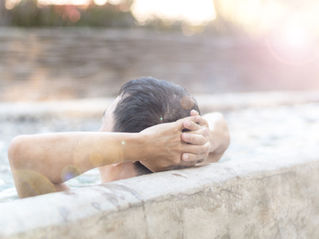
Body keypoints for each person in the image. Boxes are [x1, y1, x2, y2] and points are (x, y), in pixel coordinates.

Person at [8, 77, 230, 198]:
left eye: (104, 122)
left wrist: (143, 144)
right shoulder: (189, 178)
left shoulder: (90, 211)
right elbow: (221, 126)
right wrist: (201, 137)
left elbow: (24, 155)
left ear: (115, 151)